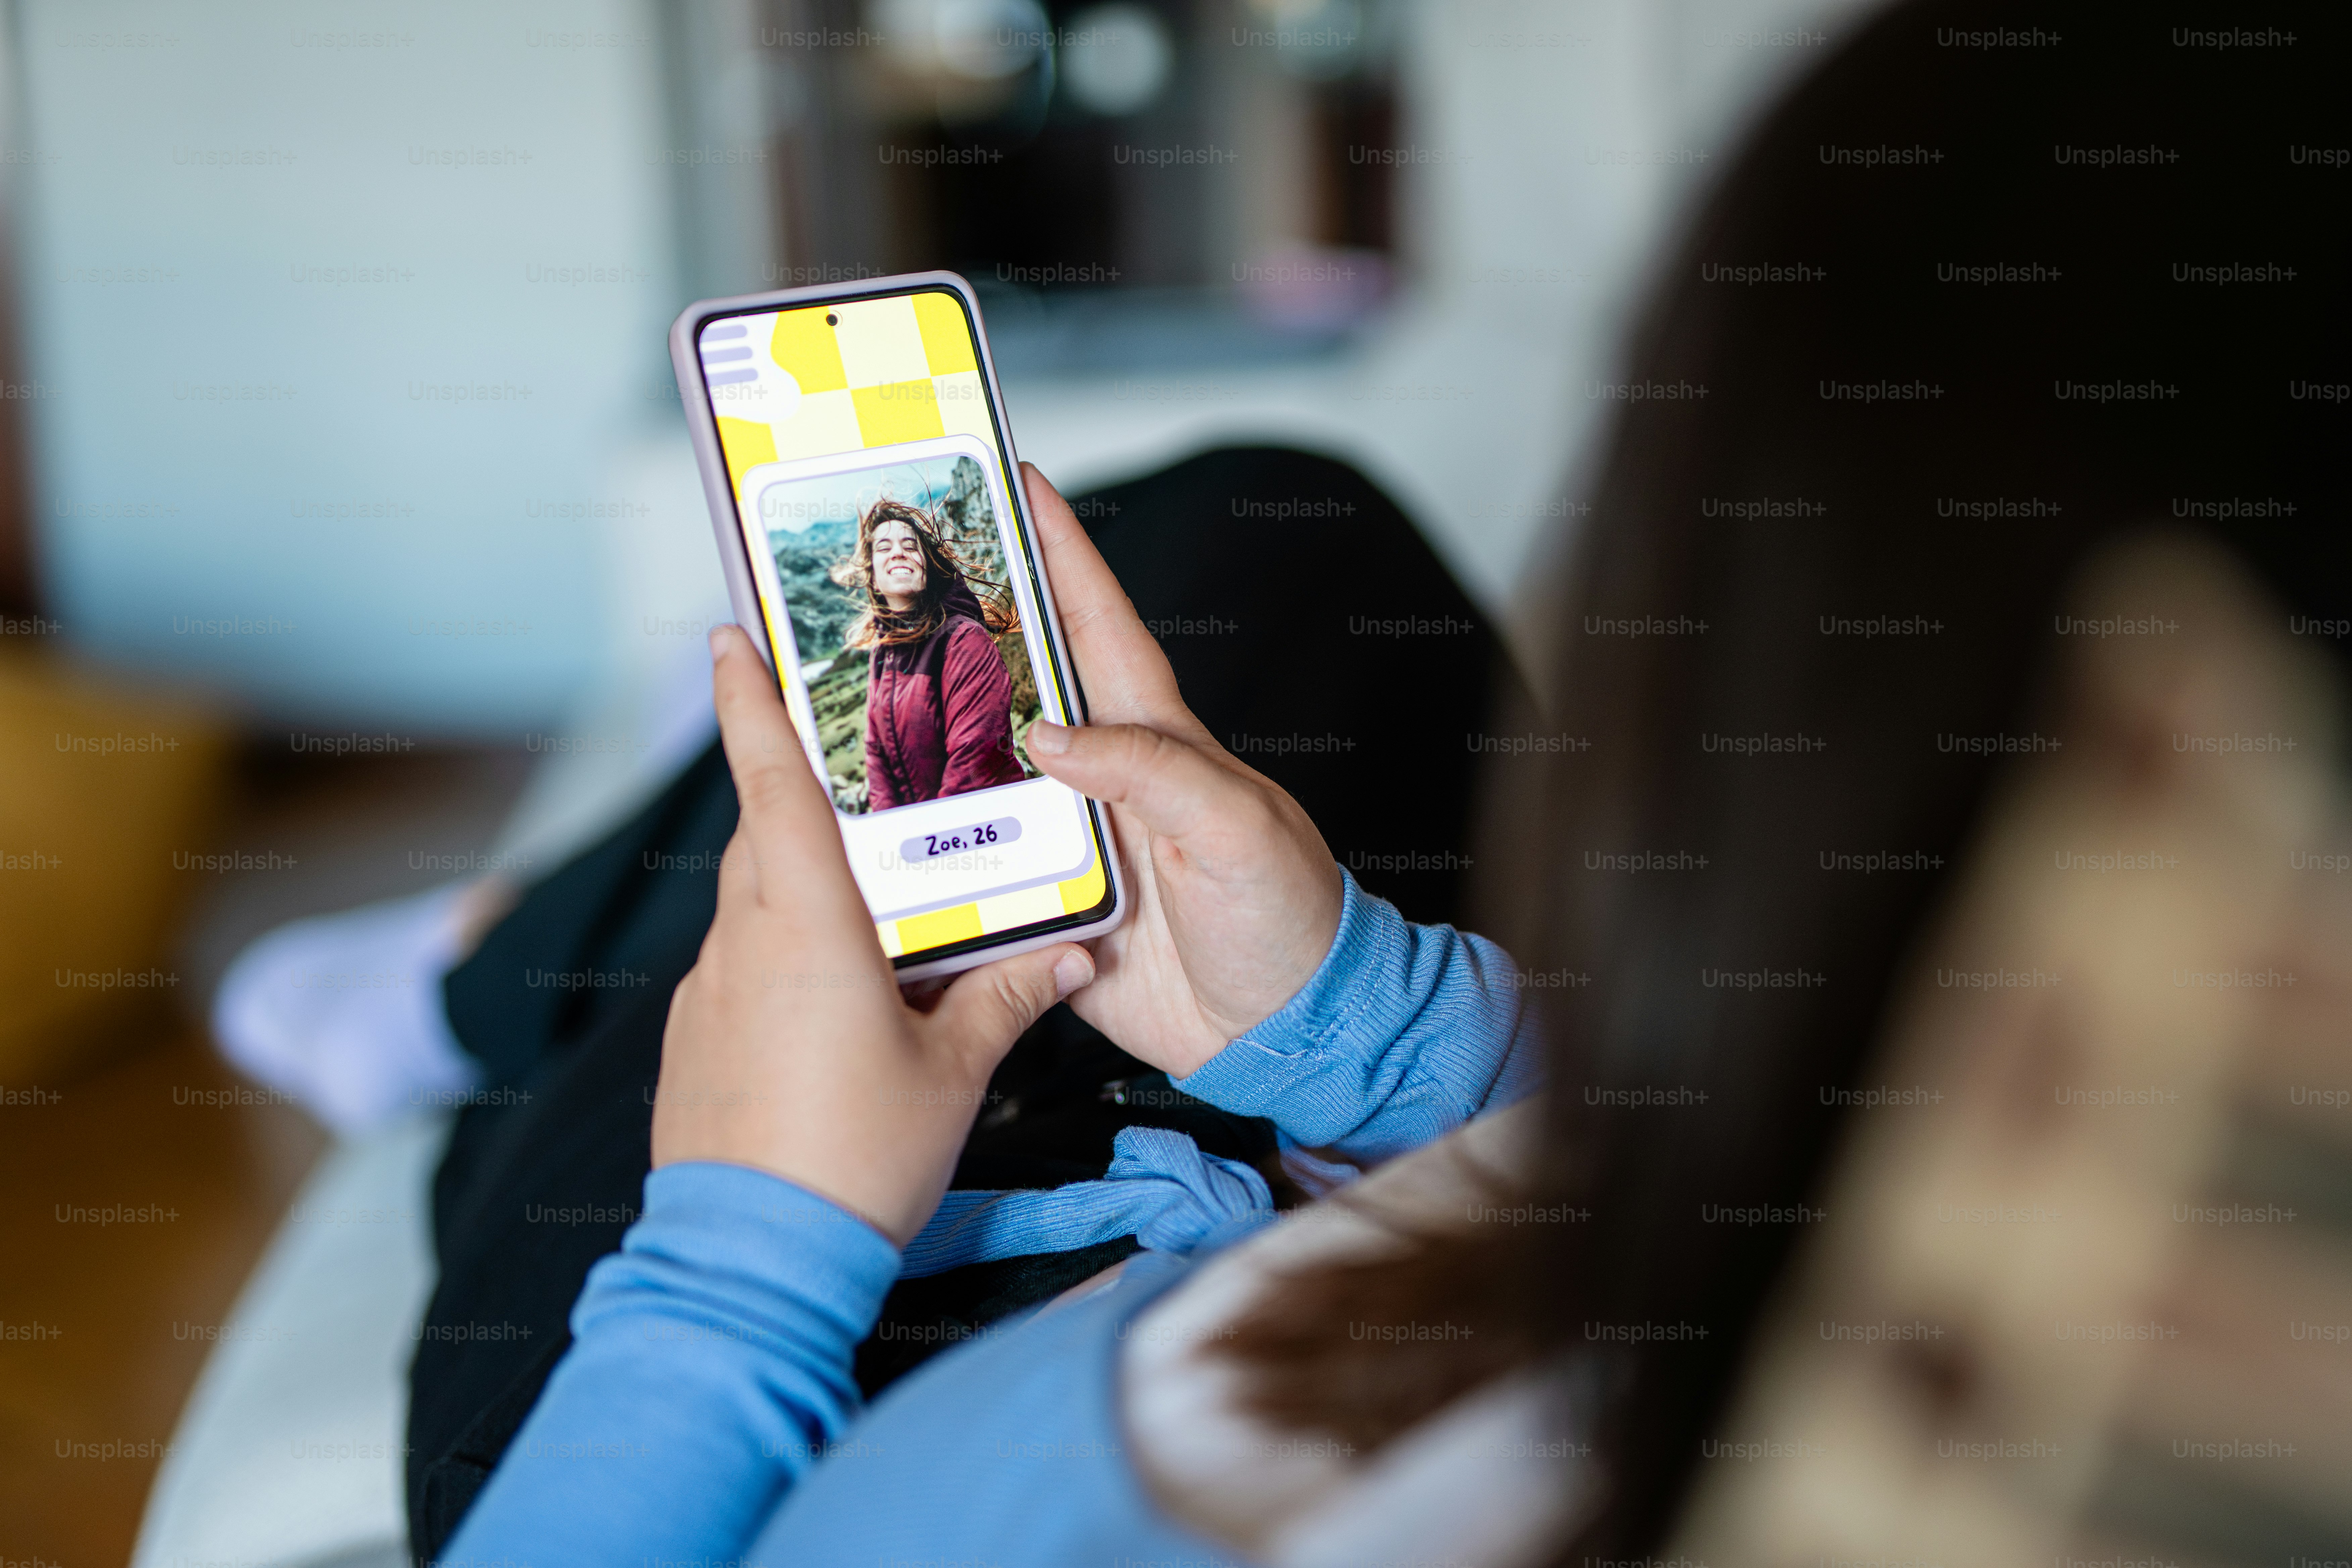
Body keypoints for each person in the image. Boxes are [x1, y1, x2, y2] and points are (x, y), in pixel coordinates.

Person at [304, 0, 2340, 1559]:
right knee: (1287, 532)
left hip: (758, 1350)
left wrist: (742, 1243)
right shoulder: (2077, 1148)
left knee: (726, 942)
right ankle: (620, 866)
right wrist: (1365, 1028)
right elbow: (1706, 1163)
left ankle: (498, 964)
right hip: (1329, 1140)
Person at [833, 498, 1027, 809]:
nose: (898, 552)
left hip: (988, 825)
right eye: (883, 547)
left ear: (928, 568)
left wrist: (933, 832)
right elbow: (875, 752)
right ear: (873, 578)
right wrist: (894, 823)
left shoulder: (964, 639)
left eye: (911, 546)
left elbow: (975, 757)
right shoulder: (882, 655)